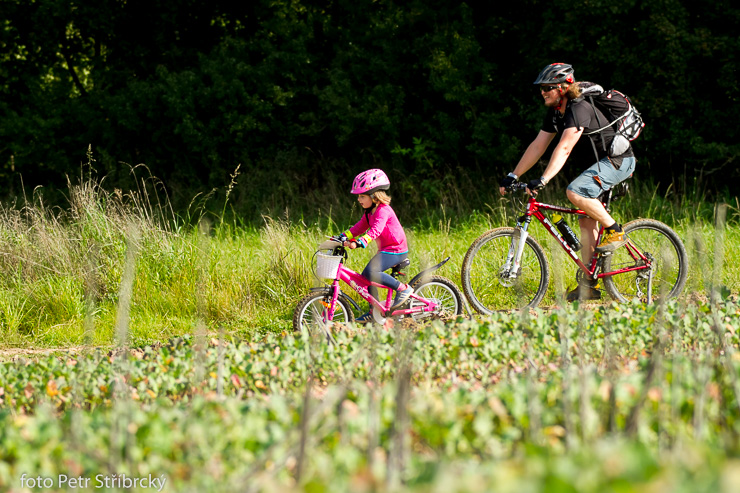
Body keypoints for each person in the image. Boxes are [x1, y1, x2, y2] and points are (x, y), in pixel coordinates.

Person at [499, 63, 637, 301]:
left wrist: (543, 179)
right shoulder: (555, 112)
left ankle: (616, 231)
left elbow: (564, 148)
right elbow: (538, 145)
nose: (543, 92)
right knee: (586, 223)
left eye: (548, 88)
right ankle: (589, 285)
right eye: (542, 88)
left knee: (575, 192)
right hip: (597, 167)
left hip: (618, 161)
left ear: (563, 88)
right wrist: (514, 174)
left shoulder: (578, 108)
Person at [338, 169, 413, 322]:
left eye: (362, 196)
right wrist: (342, 237)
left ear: (374, 196)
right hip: (386, 250)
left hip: (396, 250)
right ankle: (375, 310)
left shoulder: (383, 210)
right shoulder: (369, 212)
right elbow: (358, 228)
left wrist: (359, 242)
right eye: (358, 196)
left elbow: (375, 230)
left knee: (371, 272)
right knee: (367, 276)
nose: (359, 199)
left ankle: (403, 289)